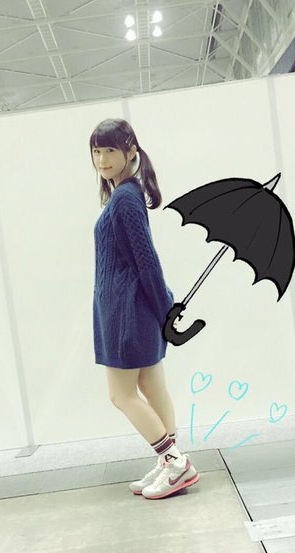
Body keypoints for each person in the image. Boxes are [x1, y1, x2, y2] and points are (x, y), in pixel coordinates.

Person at [90, 118, 200, 500]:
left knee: (121, 395)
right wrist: (164, 308)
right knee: (152, 386)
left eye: (110, 150)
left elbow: (146, 260)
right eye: (97, 151)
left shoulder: (125, 198)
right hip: (131, 308)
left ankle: (175, 462)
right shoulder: (125, 195)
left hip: (127, 312)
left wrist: (165, 307)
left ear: (131, 151)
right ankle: (170, 462)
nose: (102, 159)